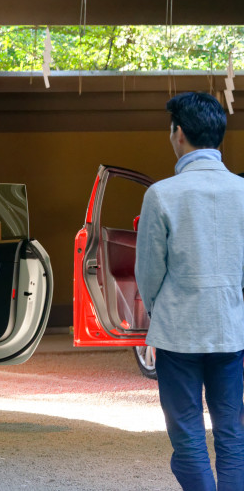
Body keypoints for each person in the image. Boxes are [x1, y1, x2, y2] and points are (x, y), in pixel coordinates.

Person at [136, 91, 244, 491]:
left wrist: (157, 315)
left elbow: (149, 272)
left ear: (178, 133)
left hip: (179, 330)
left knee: (187, 435)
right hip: (231, 328)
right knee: (232, 434)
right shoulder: (242, 192)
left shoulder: (162, 195)